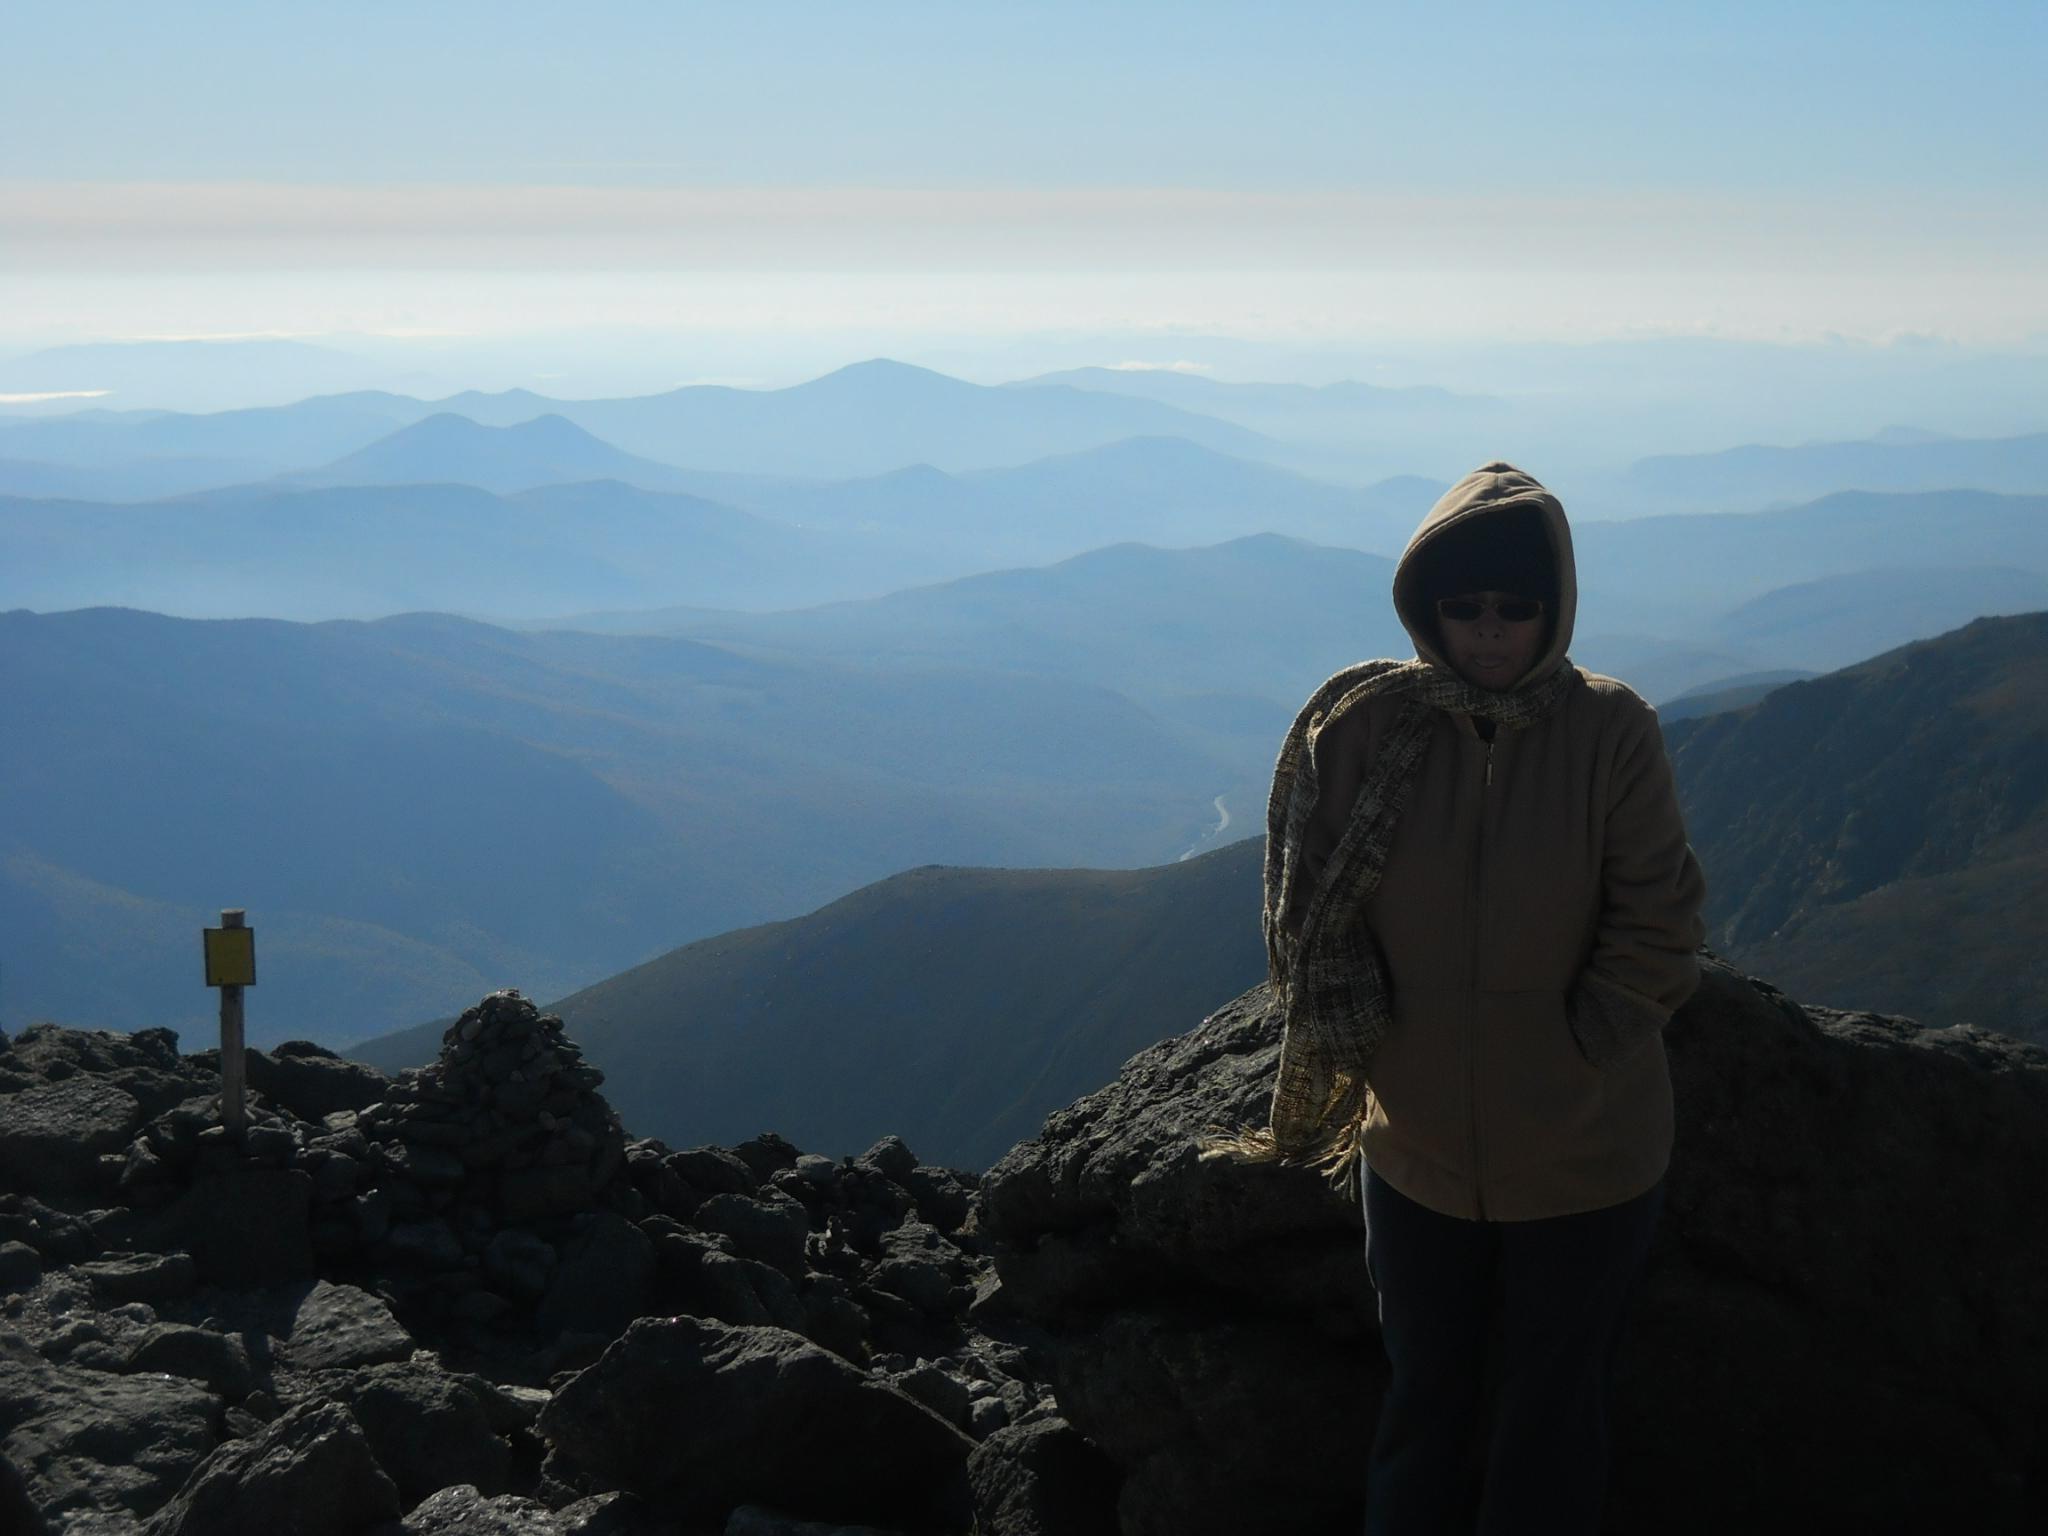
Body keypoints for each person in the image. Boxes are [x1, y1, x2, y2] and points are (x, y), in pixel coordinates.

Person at [1200, 461, 1708, 1534]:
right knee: (1423, 1405)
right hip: (1414, 1153)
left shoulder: (1610, 733)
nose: (1485, 631)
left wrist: (1577, 1053)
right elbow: (1314, 913)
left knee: (1548, 1418)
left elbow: (1657, 924)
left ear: (1550, 606)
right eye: (1460, 606)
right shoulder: (1363, 730)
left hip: (1585, 1156)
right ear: (1424, 610)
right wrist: (1384, 1060)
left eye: (1512, 606)